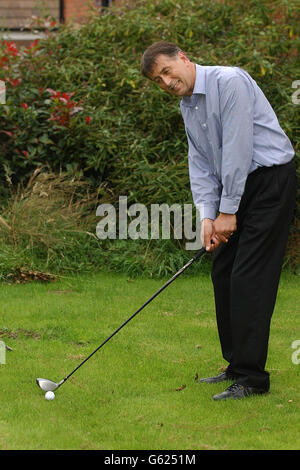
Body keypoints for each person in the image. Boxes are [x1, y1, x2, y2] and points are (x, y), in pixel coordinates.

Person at [140, 41, 297, 401]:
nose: (165, 82)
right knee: (223, 272)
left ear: (183, 58)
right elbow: (201, 162)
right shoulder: (187, 105)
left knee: (249, 277)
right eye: (157, 80)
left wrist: (228, 212)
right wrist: (208, 216)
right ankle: (236, 365)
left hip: (268, 182)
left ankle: (253, 379)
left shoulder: (230, 82)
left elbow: (239, 148)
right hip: (234, 186)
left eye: (166, 71)